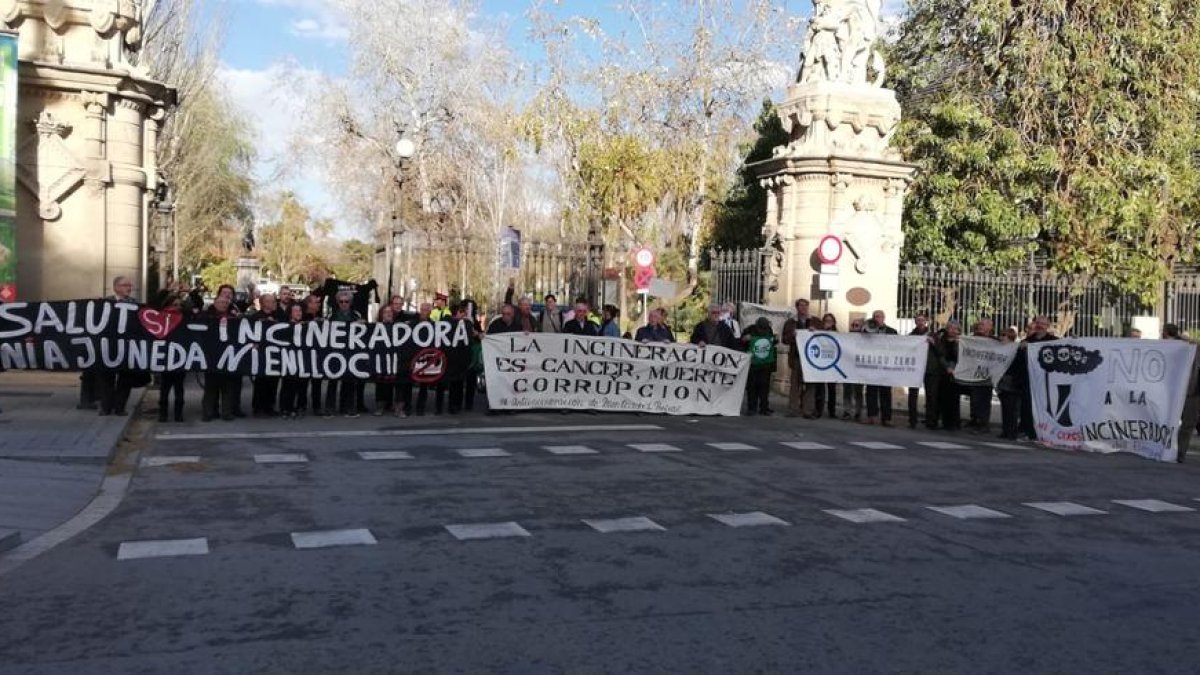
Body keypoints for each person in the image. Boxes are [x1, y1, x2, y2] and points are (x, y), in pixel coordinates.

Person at [96, 275, 139, 416]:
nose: (129, 288)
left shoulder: (135, 304)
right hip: (108, 346)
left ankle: (120, 407)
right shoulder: (105, 303)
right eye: (125, 285)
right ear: (116, 287)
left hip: (127, 347)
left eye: (130, 285)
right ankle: (106, 407)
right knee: (106, 378)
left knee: (125, 378)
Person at [1017, 315, 1059, 440]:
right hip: (1029, 380)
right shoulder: (1027, 341)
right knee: (1027, 405)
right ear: (1035, 324)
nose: (1040, 326)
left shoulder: (1054, 341)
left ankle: (1045, 430)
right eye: (1038, 323)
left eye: (1043, 324)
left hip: (1047, 381)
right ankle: (1027, 429)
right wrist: (1021, 349)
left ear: (1048, 326)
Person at [201, 294, 239, 421]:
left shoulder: (233, 318)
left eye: (225, 303)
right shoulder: (206, 317)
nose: (223, 305)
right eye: (220, 303)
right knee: (210, 388)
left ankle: (226, 413)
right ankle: (208, 413)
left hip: (228, 357)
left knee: (227, 388)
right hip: (211, 357)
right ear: (215, 303)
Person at [325, 292, 362, 417]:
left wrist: (362, 324)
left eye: (346, 301)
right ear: (337, 302)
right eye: (341, 301)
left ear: (350, 303)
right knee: (333, 381)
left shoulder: (356, 315)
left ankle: (347, 407)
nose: (344, 304)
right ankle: (330, 408)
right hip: (335, 352)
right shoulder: (331, 315)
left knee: (350, 381)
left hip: (351, 353)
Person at [861, 309, 899, 426]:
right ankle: (871, 416)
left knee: (886, 392)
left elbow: (898, 346)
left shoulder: (892, 331)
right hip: (872, 366)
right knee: (871, 391)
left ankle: (886, 418)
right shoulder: (868, 330)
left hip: (886, 366)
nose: (877, 319)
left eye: (879, 317)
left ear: (883, 318)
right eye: (875, 317)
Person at [156, 291, 187, 423]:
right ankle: (163, 414)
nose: (178, 307)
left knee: (179, 388)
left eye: (180, 305)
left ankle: (178, 414)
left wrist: (188, 294)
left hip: (180, 357)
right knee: (165, 389)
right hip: (165, 357)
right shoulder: (161, 317)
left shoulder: (185, 318)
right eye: (175, 304)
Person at [250, 293, 283, 417]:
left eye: (274, 301)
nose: (274, 303)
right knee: (261, 381)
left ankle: (270, 407)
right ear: (264, 303)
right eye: (271, 301)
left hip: (275, 353)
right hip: (261, 353)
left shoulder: (279, 316)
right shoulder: (255, 317)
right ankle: (258, 408)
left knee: (273, 381)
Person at [965, 318, 998, 433]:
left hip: (987, 375)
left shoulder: (994, 341)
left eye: (983, 325)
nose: (980, 326)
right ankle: (975, 420)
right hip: (974, 373)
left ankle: (983, 424)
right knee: (974, 399)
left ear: (990, 327)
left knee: (984, 400)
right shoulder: (973, 339)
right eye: (979, 324)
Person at [781, 298, 813, 417]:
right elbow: (784, 339)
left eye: (805, 306)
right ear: (797, 307)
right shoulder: (790, 322)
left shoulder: (814, 321)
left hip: (811, 359)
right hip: (797, 357)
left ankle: (807, 410)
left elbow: (822, 335)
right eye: (801, 306)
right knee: (795, 385)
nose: (803, 308)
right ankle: (793, 409)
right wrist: (792, 335)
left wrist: (814, 332)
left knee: (810, 385)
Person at [907, 313, 937, 429]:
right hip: (914, 369)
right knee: (912, 395)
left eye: (922, 320)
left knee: (931, 396)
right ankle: (912, 420)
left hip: (929, 369)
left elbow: (939, 351)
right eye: (918, 320)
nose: (920, 322)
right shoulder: (911, 336)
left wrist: (933, 343)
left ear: (926, 321)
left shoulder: (932, 335)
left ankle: (931, 421)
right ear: (915, 322)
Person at [743, 317, 777, 416]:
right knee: (752, 386)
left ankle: (764, 407)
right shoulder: (749, 330)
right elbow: (741, 342)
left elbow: (772, 343)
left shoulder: (769, 330)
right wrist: (745, 339)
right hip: (753, 363)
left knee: (764, 386)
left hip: (765, 363)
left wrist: (775, 340)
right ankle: (751, 408)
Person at [278, 304, 306, 418]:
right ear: (290, 313)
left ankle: (293, 406)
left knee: (297, 385)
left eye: (300, 310)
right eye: (295, 311)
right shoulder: (285, 326)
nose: (298, 313)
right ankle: (285, 407)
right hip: (287, 358)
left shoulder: (305, 326)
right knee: (287, 384)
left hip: (300, 359)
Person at [298, 294, 324, 416]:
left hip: (317, 354)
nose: (318, 304)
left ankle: (317, 406)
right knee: (303, 382)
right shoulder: (302, 317)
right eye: (316, 302)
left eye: (319, 302)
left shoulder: (320, 317)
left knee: (317, 381)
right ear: (309, 304)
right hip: (304, 354)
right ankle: (301, 405)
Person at [996, 325, 1022, 440]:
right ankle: (1006, 430)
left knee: (1012, 408)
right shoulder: (1000, 349)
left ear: (1010, 337)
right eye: (1001, 335)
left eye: (1003, 336)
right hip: (1002, 381)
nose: (1001, 338)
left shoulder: (1016, 349)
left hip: (1011, 381)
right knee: (1005, 407)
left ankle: (1012, 431)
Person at [937, 321, 964, 431]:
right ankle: (945, 422)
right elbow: (940, 354)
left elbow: (959, 356)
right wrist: (946, 366)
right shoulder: (941, 340)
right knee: (943, 397)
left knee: (954, 398)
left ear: (958, 330)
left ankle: (954, 422)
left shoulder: (962, 341)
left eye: (954, 328)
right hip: (943, 371)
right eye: (950, 328)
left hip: (956, 372)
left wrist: (957, 344)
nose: (952, 330)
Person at [842, 317, 865, 421]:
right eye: (853, 325)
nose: (854, 327)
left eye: (857, 325)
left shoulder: (865, 339)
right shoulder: (846, 337)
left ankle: (858, 412)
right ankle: (847, 411)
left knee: (858, 392)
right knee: (847, 391)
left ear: (861, 327)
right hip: (847, 368)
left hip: (859, 370)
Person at [819, 313, 839, 418]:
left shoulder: (837, 334)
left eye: (830, 321)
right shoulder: (819, 333)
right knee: (820, 388)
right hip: (821, 364)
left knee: (832, 389)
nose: (828, 323)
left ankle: (832, 411)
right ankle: (819, 410)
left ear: (834, 322)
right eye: (826, 321)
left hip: (833, 365)